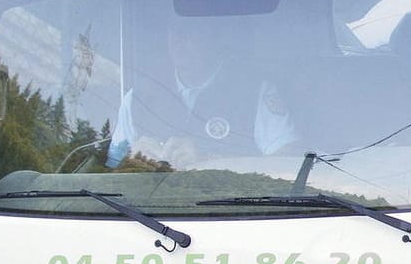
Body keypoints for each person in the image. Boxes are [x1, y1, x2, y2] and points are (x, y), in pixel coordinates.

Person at [107, 13, 298, 168]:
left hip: (237, 210)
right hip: (148, 211)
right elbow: (111, 166)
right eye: (173, 29)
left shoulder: (254, 91)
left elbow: (288, 159)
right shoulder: (139, 96)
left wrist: (209, 159)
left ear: (213, 36)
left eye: (189, 29)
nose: (178, 38)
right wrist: (132, 159)